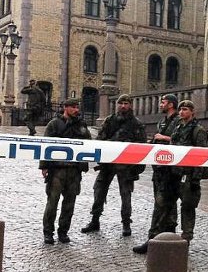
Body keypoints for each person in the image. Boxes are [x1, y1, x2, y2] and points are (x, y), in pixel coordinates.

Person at [81, 94, 147, 237]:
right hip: (108, 164)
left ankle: (126, 223)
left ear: (130, 105)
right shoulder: (110, 120)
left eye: (126, 103)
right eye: (121, 103)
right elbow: (100, 139)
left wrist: (137, 167)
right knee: (99, 191)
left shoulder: (136, 124)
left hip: (126, 166)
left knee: (125, 195)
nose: (123, 106)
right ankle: (95, 220)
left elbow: (142, 147)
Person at [133, 94, 181, 254]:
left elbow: (181, 142)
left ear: (171, 105)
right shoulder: (162, 121)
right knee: (164, 203)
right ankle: (169, 237)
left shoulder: (178, 121)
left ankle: (153, 239)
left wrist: (164, 137)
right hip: (158, 169)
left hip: (171, 170)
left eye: (163, 102)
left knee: (162, 204)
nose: (161, 104)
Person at [39, 98, 91, 244]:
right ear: (65, 108)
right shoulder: (54, 124)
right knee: (52, 202)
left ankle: (63, 232)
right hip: (57, 169)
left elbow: (89, 144)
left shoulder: (81, 125)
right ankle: (48, 232)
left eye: (77, 107)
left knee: (69, 203)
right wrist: (44, 166)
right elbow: (46, 145)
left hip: (74, 170)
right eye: (73, 107)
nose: (76, 110)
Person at [170, 100, 208, 245]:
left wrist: (195, 179)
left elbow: (201, 156)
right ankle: (170, 231)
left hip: (189, 175)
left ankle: (187, 235)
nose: (181, 112)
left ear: (192, 112)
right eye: (180, 109)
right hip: (175, 173)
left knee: (187, 206)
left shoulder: (198, 131)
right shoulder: (178, 127)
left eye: (185, 109)